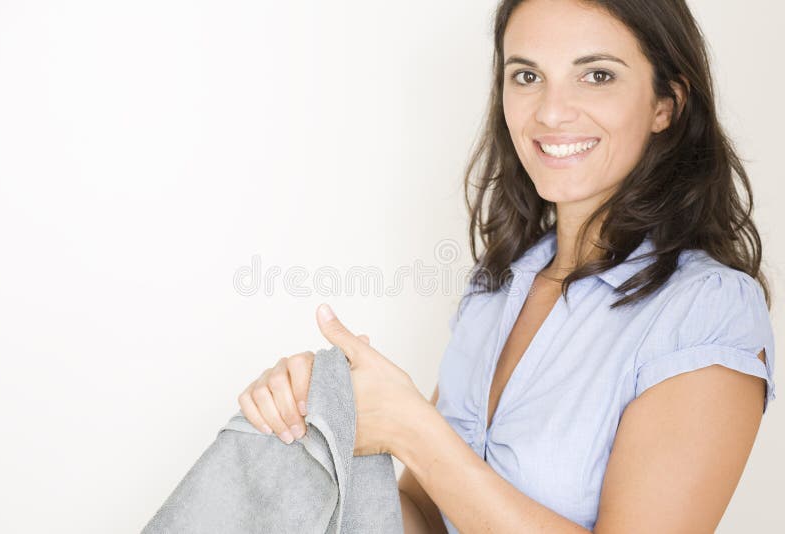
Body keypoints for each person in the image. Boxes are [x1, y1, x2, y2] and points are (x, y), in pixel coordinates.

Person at [237, 0, 776, 532]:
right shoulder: (496, 289)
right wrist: (325, 420)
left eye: (596, 74)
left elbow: (428, 449)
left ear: (667, 104)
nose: (550, 111)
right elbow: (425, 516)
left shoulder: (707, 310)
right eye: (526, 75)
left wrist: (414, 431)